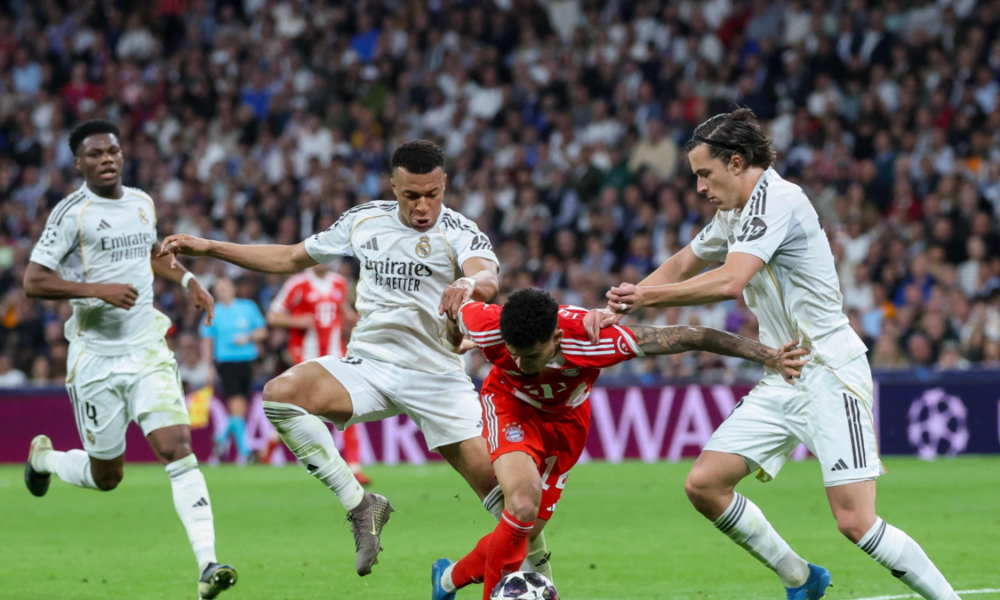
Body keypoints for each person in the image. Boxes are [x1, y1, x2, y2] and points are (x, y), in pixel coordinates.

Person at [586, 108, 959, 600]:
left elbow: (730, 280)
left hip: (829, 372)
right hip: (784, 372)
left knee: (856, 522)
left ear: (737, 162)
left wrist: (645, 300)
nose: (699, 187)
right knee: (705, 485)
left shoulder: (778, 200)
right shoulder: (733, 212)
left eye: (705, 174)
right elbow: (683, 261)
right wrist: (621, 307)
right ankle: (802, 579)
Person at [158, 140, 553, 578]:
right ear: (393, 186)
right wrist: (210, 247)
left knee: (512, 504)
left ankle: (542, 584)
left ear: (444, 185)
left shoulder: (460, 230)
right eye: (410, 195)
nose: (423, 206)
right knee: (280, 396)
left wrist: (471, 285)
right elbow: (289, 257)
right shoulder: (364, 221)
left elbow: (487, 274)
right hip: (370, 366)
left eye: (432, 194)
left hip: (437, 377)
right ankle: (362, 506)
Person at [432, 289, 809, 600]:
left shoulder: (595, 342)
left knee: (524, 529)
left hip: (566, 423)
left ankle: (448, 580)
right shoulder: (488, 326)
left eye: (530, 356)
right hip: (510, 406)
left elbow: (697, 337)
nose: (518, 360)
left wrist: (769, 355)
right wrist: (454, 338)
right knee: (521, 502)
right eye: (513, 352)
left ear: (557, 340)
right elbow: (456, 308)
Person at [21, 119, 237, 600]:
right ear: (79, 163)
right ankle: (47, 458)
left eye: (113, 151)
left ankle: (208, 564)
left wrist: (187, 282)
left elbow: (153, 254)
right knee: (108, 476)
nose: (107, 160)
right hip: (95, 360)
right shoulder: (70, 214)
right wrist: (95, 290)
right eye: (95, 154)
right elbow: (34, 281)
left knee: (177, 445)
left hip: (145, 349)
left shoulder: (142, 203)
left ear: (123, 154)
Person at [266, 263, 370, 484]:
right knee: (300, 411)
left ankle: (354, 465)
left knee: (351, 405)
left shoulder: (340, 283)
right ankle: (269, 449)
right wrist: (295, 321)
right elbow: (273, 316)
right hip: (305, 356)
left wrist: (356, 320)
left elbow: (342, 312)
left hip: (336, 356)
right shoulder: (297, 283)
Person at [199, 277, 267, 465]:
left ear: (233, 289)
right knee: (236, 405)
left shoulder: (248, 307)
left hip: (248, 361)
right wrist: (209, 366)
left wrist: (248, 337)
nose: (223, 291)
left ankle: (221, 440)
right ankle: (245, 452)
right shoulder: (213, 312)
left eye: (226, 287)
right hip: (226, 363)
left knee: (240, 408)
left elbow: (262, 331)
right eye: (219, 288)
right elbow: (206, 340)